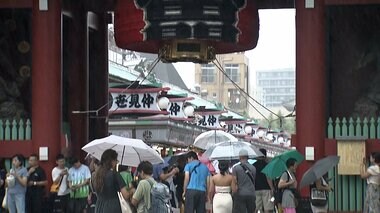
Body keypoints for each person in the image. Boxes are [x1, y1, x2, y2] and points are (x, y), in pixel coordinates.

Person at [232, 149, 256, 213]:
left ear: (240, 157)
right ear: (247, 157)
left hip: (240, 194)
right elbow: (253, 180)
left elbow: (234, 182)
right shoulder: (253, 168)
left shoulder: (236, 168)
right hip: (251, 193)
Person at [253, 148, 274, 213]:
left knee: (258, 208)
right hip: (266, 188)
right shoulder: (267, 165)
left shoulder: (253, 166)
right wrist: (272, 188)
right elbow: (268, 178)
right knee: (267, 207)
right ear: (265, 155)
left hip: (256, 189)